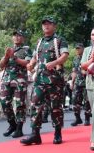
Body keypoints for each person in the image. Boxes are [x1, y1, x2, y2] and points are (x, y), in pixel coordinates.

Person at [21, 16, 69, 145]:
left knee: (55, 107)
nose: (46, 26)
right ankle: (35, 134)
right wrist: (31, 64)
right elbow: (35, 57)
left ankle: (57, 132)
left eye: (49, 24)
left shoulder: (59, 40)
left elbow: (65, 56)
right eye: (44, 24)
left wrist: (55, 62)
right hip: (40, 79)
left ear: (54, 26)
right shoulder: (39, 41)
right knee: (35, 104)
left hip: (55, 80)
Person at [0, 30, 32, 138]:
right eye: (15, 35)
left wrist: (14, 57)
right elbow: (1, 66)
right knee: (4, 102)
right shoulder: (9, 49)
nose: (17, 37)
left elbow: (27, 63)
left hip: (20, 79)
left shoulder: (26, 50)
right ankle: (12, 124)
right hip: (7, 79)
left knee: (20, 104)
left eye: (19, 36)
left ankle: (19, 128)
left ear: (23, 38)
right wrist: (6, 56)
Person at [70, 43, 91, 126]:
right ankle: (78, 118)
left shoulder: (87, 58)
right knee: (75, 100)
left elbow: (92, 68)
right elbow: (74, 71)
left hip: (87, 82)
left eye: (79, 48)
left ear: (83, 48)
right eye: (76, 48)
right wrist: (72, 81)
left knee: (87, 101)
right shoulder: (75, 59)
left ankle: (87, 118)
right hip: (78, 83)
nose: (77, 50)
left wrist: (85, 72)